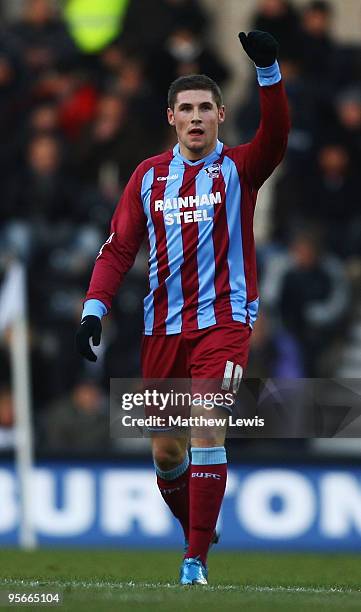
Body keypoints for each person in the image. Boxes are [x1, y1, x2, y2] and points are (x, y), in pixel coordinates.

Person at [76, 31, 290, 585]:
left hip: (224, 323)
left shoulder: (241, 170)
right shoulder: (147, 178)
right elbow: (119, 248)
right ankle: (198, 523)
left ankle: (195, 560)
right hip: (162, 327)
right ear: (171, 117)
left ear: (220, 115)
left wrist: (268, 72)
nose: (196, 118)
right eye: (186, 109)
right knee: (167, 451)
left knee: (206, 427)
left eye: (205, 109)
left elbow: (277, 135)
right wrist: (94, 308)